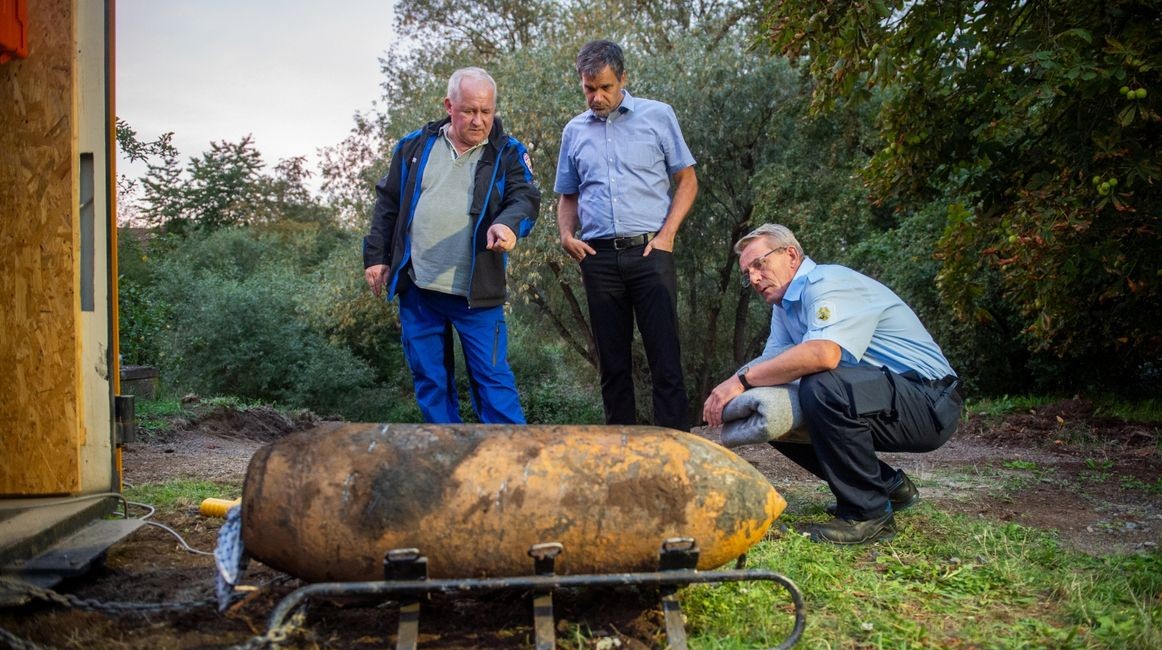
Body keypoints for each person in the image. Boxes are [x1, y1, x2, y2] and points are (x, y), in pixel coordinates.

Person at [702, 224, 962, 545]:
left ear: (791, 255)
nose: (754, 278)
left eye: (760, 264)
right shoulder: (784, 308)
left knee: (822, 386)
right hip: (884, 398)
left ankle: (868, 515)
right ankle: (889, 487)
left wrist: (741, 380)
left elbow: (823, 355)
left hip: (929, 400)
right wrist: (729, 389)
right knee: (769, 408)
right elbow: (771, 365)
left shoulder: (827, 284)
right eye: (747, 273)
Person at [363, 67, 539, 424]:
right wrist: (377, 257)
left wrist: (508, 224)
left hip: (477, 293)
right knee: (430, 381)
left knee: (494, 382)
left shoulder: (508, 152)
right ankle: (447, 465)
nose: (479, 121)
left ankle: (514, 465)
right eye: (469, 111)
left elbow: (525, 199)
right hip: (418, 287)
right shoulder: (413, 146)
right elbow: (388, 204)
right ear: (449, 105)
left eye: (486, 112)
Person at [555, 40, 698, 431]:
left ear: (623, 79)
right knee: (612, 364)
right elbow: (568, 197)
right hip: (597, 258)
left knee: (665, 359)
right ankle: (619, 453)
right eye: (589, 89)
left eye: (604, 87)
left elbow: (687, 181)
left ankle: (674, 452)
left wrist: (668, 235)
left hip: (651, 250)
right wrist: (566, 234)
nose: (597, 97)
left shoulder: (658, 116)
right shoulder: (574, 131)